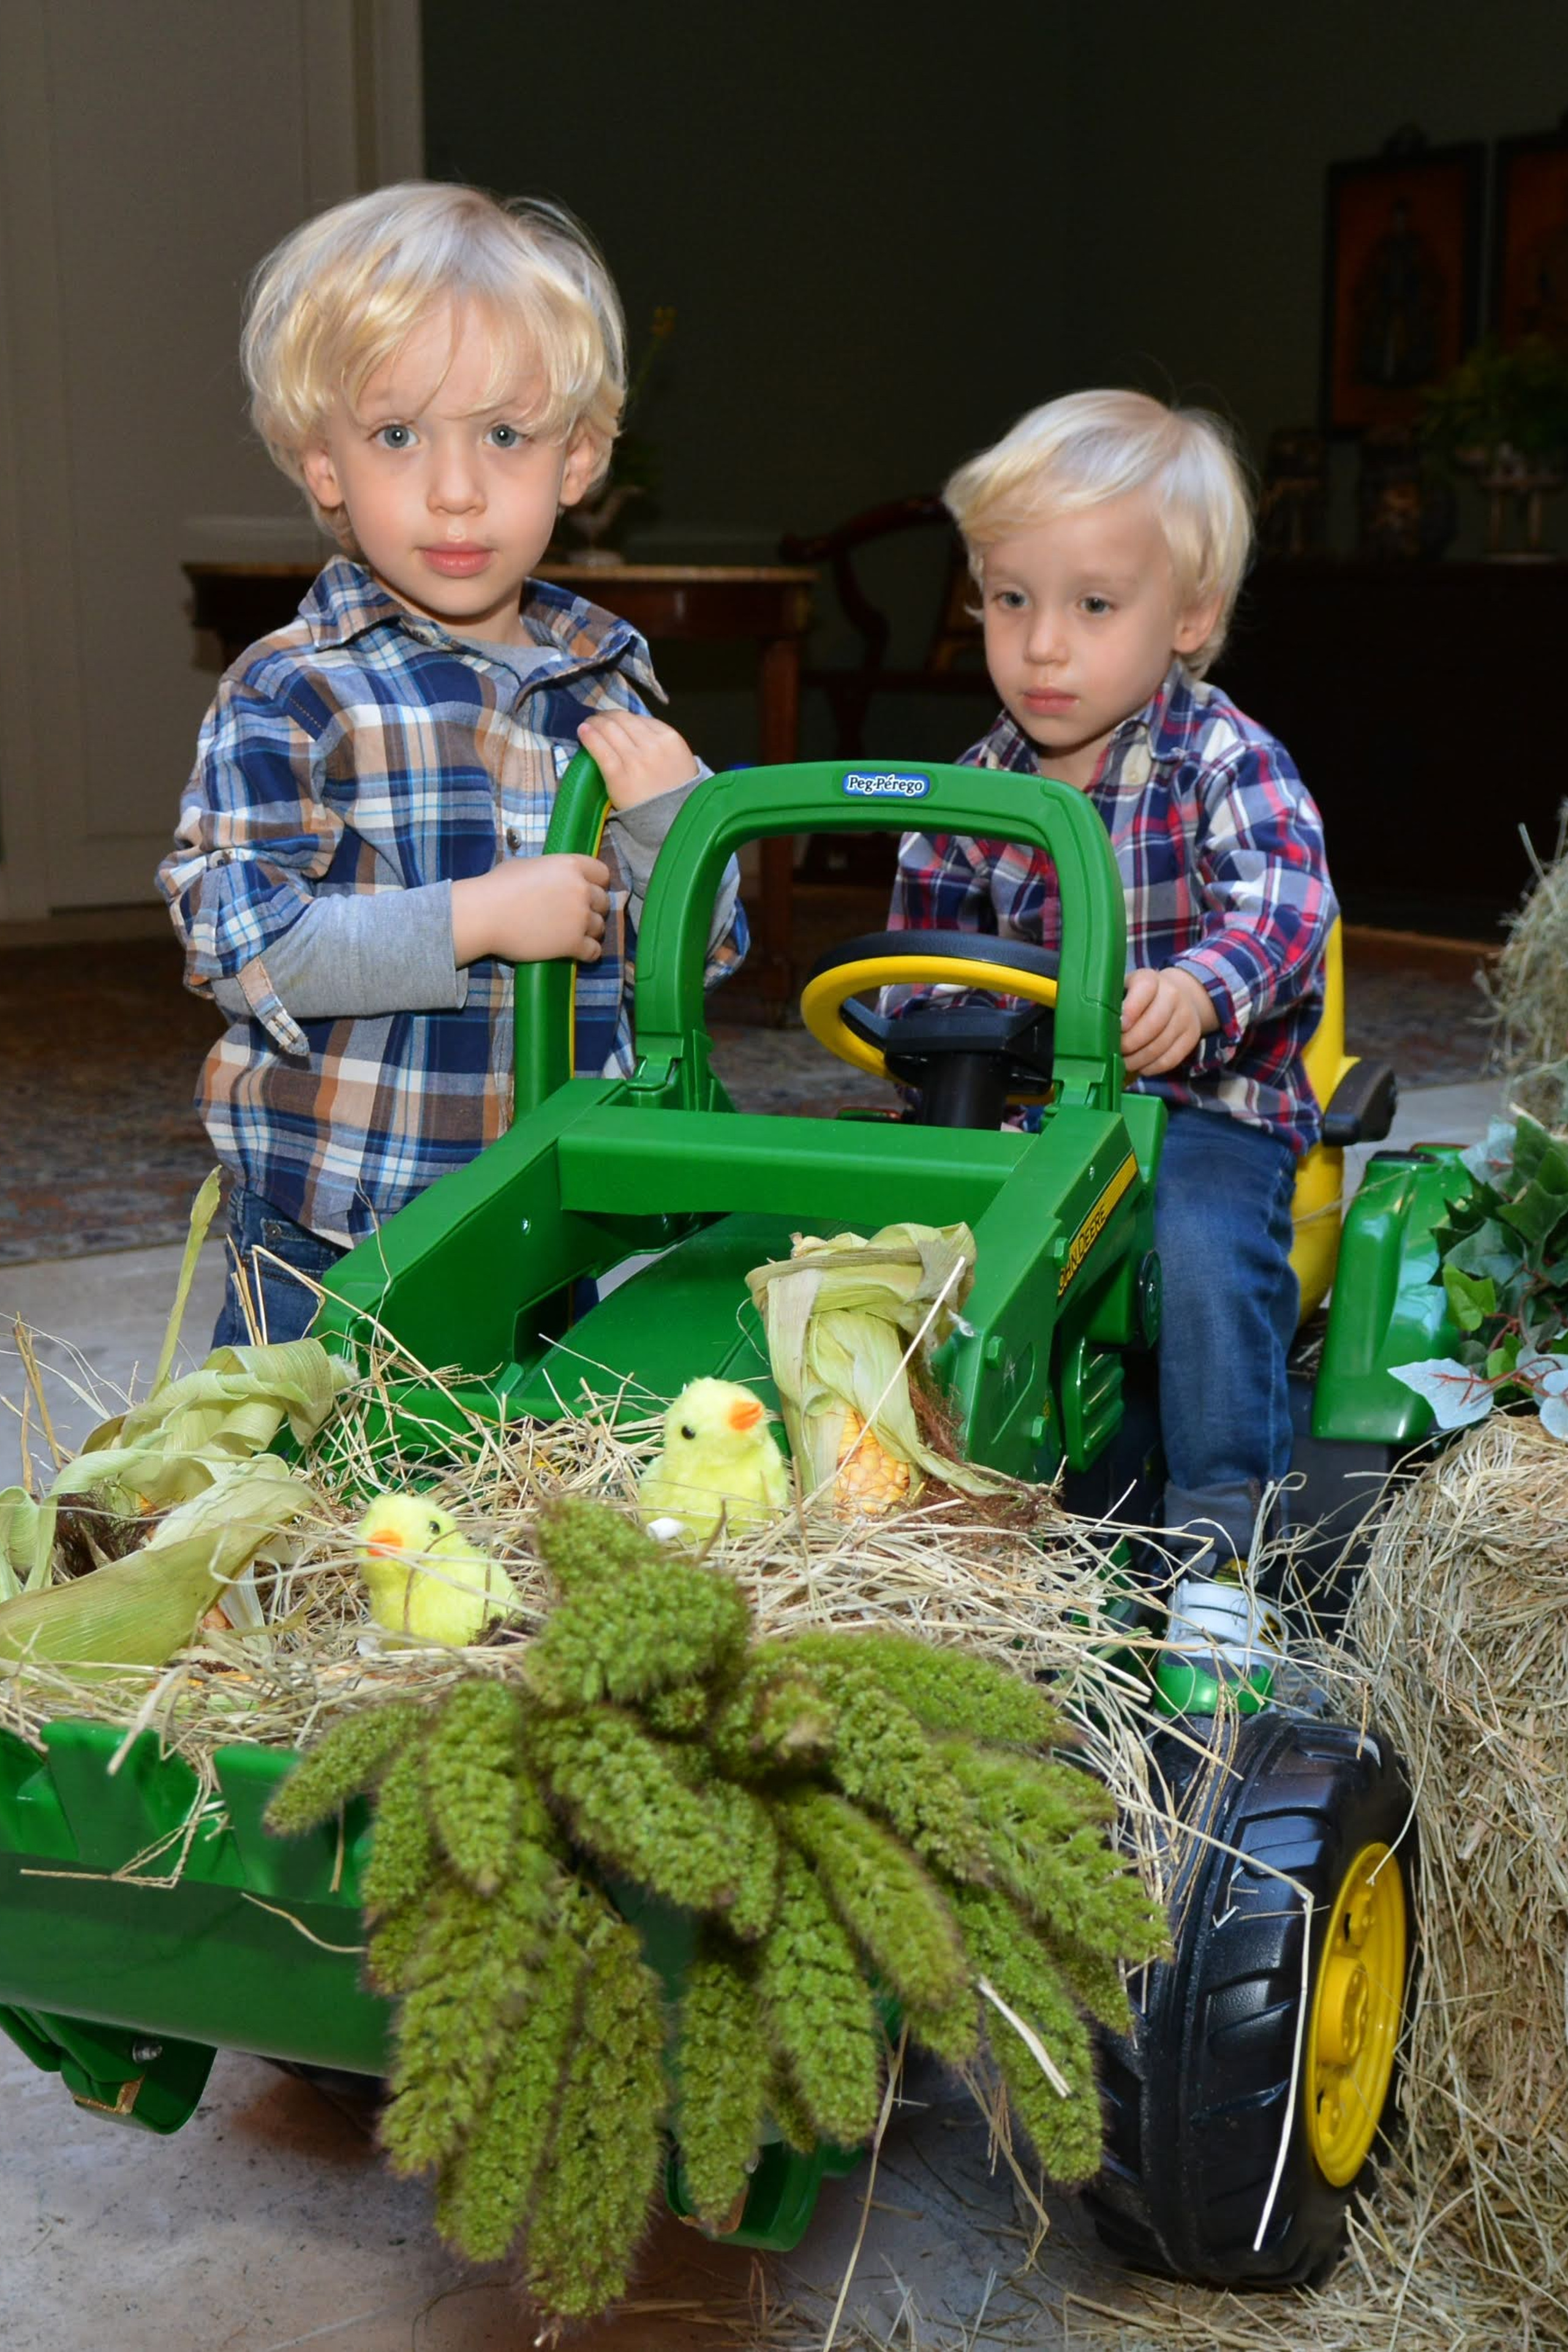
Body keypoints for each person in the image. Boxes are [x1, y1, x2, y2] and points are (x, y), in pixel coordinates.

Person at [159, 183, 745, 1348]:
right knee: (304, 1507)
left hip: (546, 1214)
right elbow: (236, 944)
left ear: (577, 459)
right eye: (395, 436)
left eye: (505, 436)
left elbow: (707, 956)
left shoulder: (610, 689)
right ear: (322, 465)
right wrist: (472, 918)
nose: (457, 487)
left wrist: (671, 826)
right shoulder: (296, 688)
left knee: (507, 1513)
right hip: (336, 1232)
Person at [884, 389, 1335, 1664]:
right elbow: (914, 956)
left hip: (1199, 1115)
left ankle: (1215, 1545)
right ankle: (929, 1511)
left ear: (1184, 619)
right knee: (898, 1252)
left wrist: (1196, 989)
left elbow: (1289, 907)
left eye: (1092, 606)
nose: (1041, 646)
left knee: (1195, 1248)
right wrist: (927, 1032)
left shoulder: (1220, 760)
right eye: (1009, 600)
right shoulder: (973, 788)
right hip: (1029, 1124)